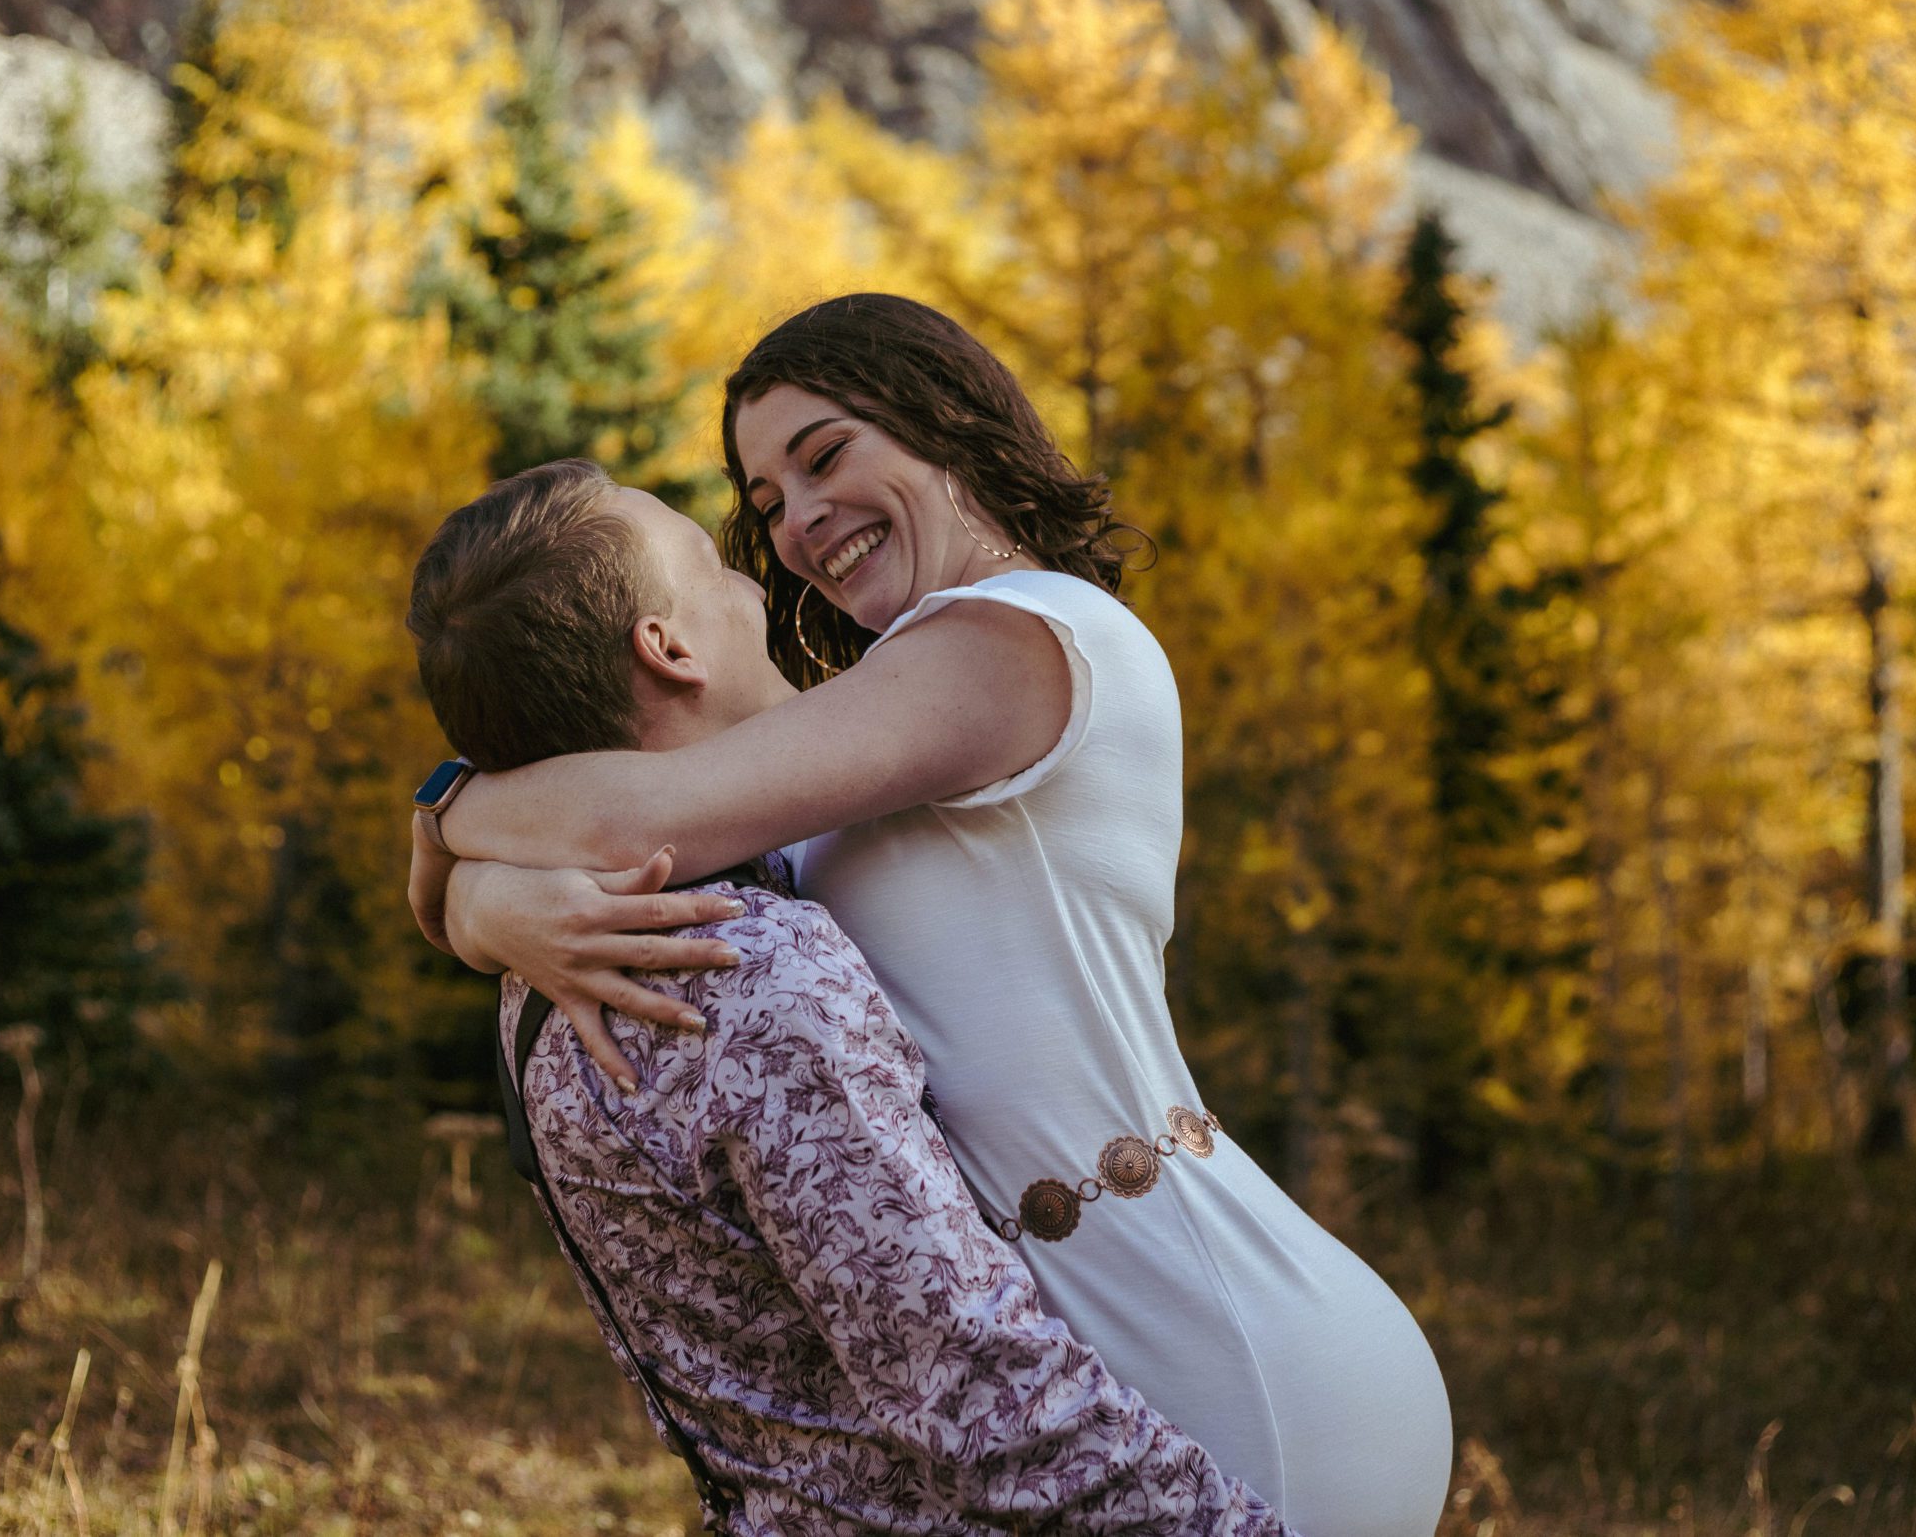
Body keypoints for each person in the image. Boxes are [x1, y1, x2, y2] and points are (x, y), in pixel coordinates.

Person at [411, 293, 1454, 1537]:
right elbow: (634, 826)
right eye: (759, 504)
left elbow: (628, 820)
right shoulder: (856, 733)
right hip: (1102, 1369)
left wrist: (449, 821)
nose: (793, 527)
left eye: (826, 455)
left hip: (1221, 1356)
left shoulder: (1012, 640)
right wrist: (488, 901)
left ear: (941, 418)